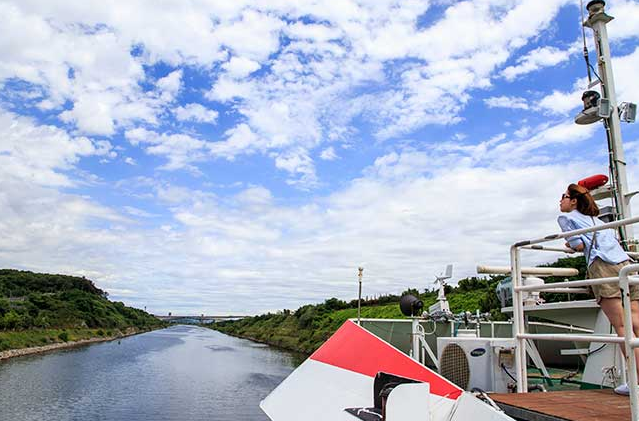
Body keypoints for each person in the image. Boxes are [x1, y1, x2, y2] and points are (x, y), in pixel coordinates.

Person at [558, 183, 639, 395]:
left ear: (574, 201)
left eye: (564, 197)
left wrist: (568, 245)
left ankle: (636, 383)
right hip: (625, 264)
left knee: (622, 327)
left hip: (603, 267)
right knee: (637, 324)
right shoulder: (597, 220)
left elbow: (578, 245)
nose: (561, 200)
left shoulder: (566, 218)